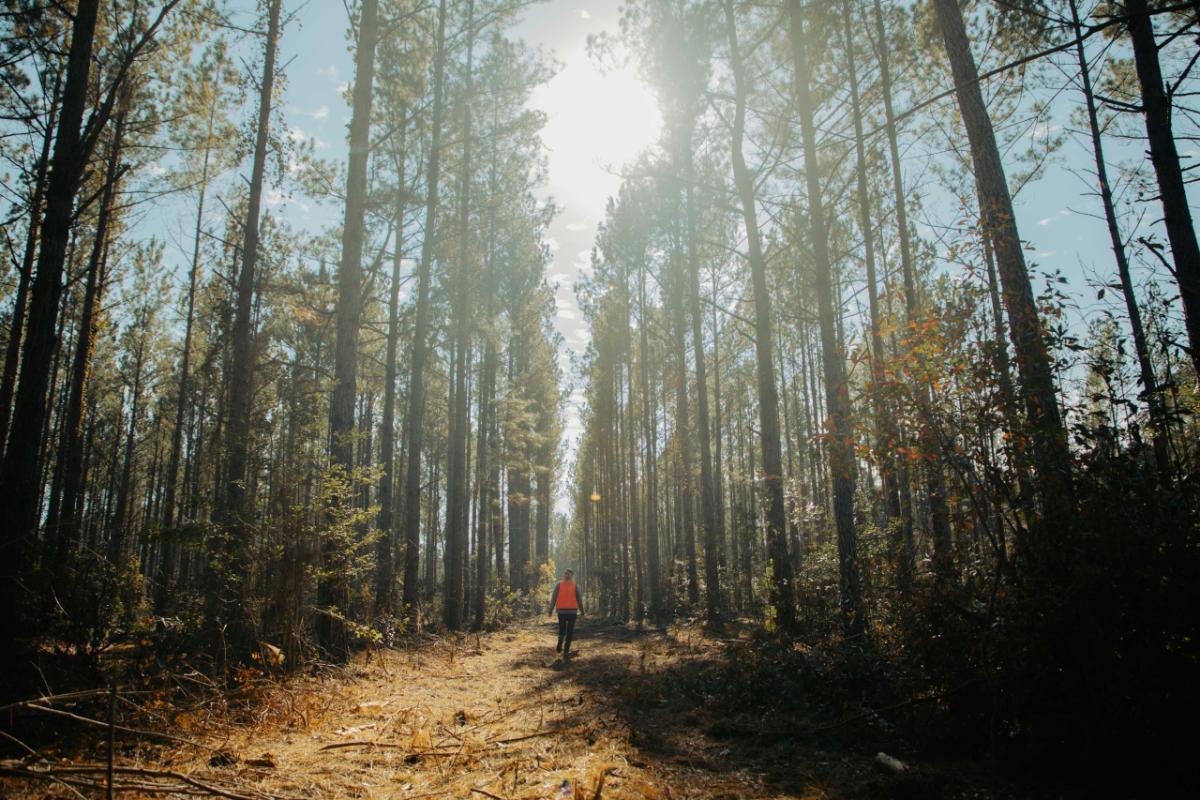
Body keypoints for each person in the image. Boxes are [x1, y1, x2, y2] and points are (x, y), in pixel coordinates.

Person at [548, 568, 584, 657]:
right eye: (567, 574)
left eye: (568, 574)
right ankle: (566, 650)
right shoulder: (575, 585)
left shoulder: (559, 585)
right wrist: (582, 611)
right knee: (570, 631)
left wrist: (550, 610)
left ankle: (560, 642)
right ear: (572, 576)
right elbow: (579, 600)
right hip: (572, 612)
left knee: (562, 628)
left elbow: (554, 598)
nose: (567, 575)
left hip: (561, 611)